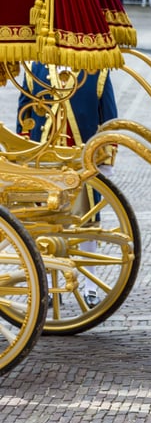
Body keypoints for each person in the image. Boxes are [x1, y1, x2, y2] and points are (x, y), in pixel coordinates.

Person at [17, 62, 118, 308]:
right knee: (45, 224)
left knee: (87, 223)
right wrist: (24, 157)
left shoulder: (97, 70)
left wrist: (105, 159)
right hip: (45, 161)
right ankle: (49, 287)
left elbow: (109, 118)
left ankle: (90, 286)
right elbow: (23, 117)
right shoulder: (35, 69)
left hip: (81, 161)